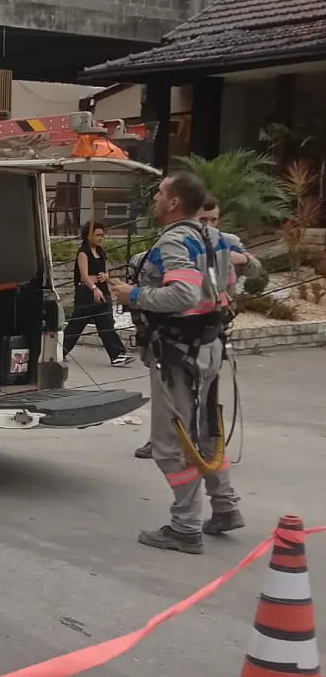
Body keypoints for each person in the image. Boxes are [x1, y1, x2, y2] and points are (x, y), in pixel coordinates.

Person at [110, 171, 244, 554]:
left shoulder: (175, 240)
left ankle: (185, 527)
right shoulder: (214, 237)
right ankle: (225, 508)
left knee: (170, 445)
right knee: (205, 433)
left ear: (173, 202)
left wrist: (132, 294)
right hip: (209, 346)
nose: (155, 198)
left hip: (177, 354)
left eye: (159, 193)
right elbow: (236, 277)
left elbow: (183, 294)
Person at [133, 195, 262, 459]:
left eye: (215, 219)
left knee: (206, 390)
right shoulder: (181, 242)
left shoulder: (226, 242)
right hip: (175, 330)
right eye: (204, 219)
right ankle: (162, 440)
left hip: (210, 329)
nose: (210, 224)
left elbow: (257, 269)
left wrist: (244, 261)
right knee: (169, 391)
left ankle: (206, 441)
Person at [62, 220, 134, 367]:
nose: (100, 238)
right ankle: (60, 351)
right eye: (97, 235)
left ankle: (117, 355)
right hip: (87, 292)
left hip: (102, 290)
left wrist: (106, 277)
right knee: (76, 325)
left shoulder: (101, 251)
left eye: (102, 235)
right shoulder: (83, 252)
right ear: (89, 236)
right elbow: (84, 275)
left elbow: (105, 270)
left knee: (106, 323)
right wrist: (94, 288)